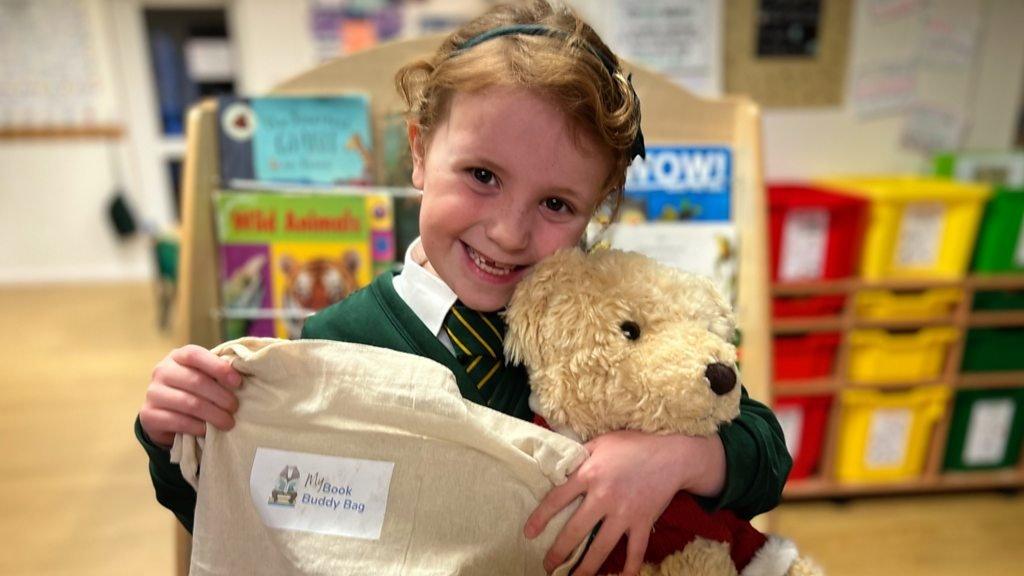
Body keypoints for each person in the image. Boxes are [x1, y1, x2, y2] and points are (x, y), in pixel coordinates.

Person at [136, 2, 791, 575]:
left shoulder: (618, 320)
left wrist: (679, 458)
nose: (508, 233)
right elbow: (262, 516)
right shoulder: (340, 341)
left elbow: (764, 451)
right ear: (419, 152)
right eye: (482, 174)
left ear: (598, 205)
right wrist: (174, 438)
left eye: (557, 204)